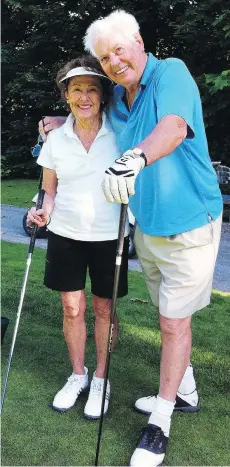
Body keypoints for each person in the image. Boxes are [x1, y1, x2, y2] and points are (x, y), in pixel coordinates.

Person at [40, 10, 223, 467]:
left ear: (139, 41)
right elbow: (93, 117)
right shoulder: (120, 100)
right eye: (105, 57)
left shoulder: (171, 73)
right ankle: (186, 391)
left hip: (190, 222)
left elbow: (174, 127)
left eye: (119, 49)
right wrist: (58, 121)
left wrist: (135, 159)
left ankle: (159, 422)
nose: (114, 61)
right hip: (149, 227)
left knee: (172, 324)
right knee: (168, 315)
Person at [28, 55, 129, 420]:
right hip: (65, 233)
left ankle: (102, 378)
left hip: (109, 235)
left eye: (91, 89)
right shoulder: (56, 138)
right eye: (76, 90)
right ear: (66, 96)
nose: (84, 96)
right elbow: (49, 191)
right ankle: (78, 375)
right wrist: (41, 211)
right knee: (72, 308)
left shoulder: (121, 132)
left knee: (104, 308)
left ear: (103, 95)